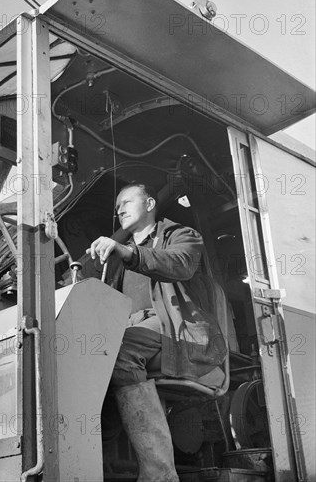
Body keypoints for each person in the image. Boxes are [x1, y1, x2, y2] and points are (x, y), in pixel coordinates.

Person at [87, 182, 226, 482]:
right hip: (134, 329)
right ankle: (95, 465)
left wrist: (127, 252)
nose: (120, 209)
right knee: (91, 363)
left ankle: (160, 474)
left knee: (119, 353)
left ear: (150, 204)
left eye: (127, 201)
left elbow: (181, 264)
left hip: (178, 331)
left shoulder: (181, 236)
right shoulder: (115, 261)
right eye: (117, 206)